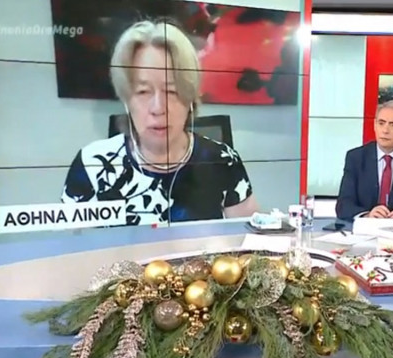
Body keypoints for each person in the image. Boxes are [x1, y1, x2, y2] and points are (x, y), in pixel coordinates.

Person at [61, 20, 259, 225]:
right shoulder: (92, 165)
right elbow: (71, 242)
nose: (158, 108)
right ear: (127, 99)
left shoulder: (224, 161)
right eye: (143, 91)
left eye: (171, 91)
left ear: (190, 98)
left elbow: (251, 239)